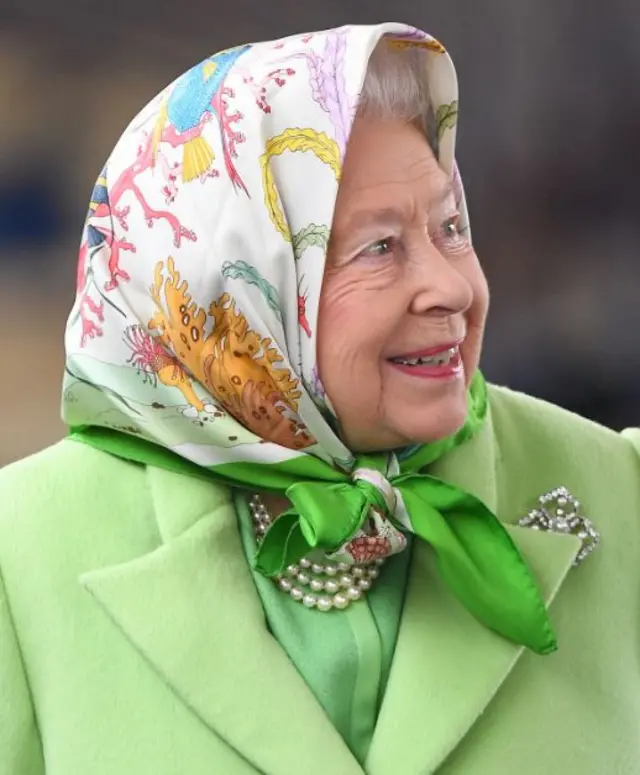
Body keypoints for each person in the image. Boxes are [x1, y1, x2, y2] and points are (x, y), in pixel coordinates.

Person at [1, 21, 639, 775]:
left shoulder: (618, 486)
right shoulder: (21, 554)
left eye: (451, 227)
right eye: (381, 247)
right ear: (229, 292)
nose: (453, 287)